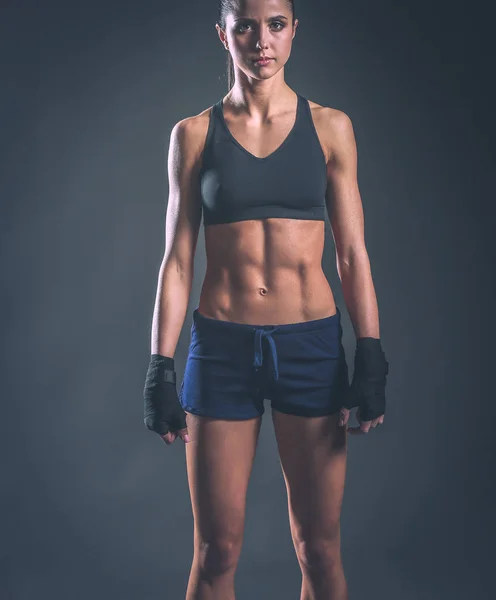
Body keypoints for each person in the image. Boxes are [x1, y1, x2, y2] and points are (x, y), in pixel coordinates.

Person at [143, 0, 389, 598]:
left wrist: (371, 352)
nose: (262, 40)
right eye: (245, 25)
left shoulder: (331, 127)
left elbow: (352, 254)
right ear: (222, 33)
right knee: (216, 551)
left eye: (276, 24)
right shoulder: (194, 134)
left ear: (294, 30)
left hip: (309, 347)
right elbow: (177, 261)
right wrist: (160, 365)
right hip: (223, 348)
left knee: (319, 549)